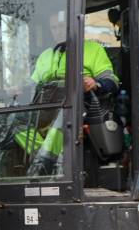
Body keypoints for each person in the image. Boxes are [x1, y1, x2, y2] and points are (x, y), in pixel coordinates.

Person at [13, 10, 120, 175]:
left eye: (61, 26)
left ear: (72, 26)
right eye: (54, 27)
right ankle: (46, 159)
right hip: (45, 104)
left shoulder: (93, 49)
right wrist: (20, 89)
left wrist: (95, 83)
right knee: (15, 122)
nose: (57, 30)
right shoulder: (45, 56)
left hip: (76, 103)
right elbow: (32, 85)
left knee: (63, 117)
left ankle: (44, 165)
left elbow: (111, 80)